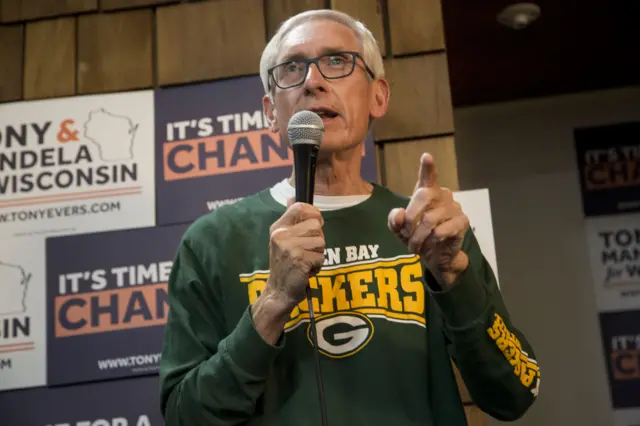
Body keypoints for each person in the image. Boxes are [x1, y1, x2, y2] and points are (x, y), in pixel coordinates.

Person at [158, 9, 540, 426]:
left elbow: (515, 391)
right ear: (271, 112)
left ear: (379, 96)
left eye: (337, 61)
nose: (312, 81)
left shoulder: (430, 230)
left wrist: (453, 278)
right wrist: (272, 303)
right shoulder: (213, 241)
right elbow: (184, 416)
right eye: (292, 68)